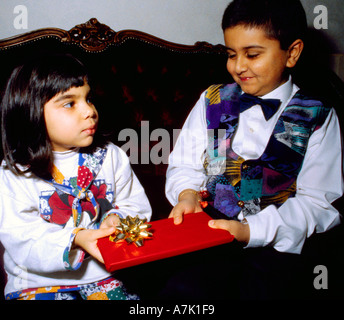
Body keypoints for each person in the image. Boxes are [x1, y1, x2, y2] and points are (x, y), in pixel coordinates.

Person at [165, 0, 343, 298]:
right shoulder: (212, 99)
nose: (238, 66)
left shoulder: (317, 115)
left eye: (252, 54)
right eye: (231, 54)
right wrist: (187, 194)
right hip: (208, 239)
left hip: (277, 247)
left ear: (293, 53)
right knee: (181, 291)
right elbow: (184, 164)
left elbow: (318, 203)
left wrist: (252, 232)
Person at [0, 54, 151, 300]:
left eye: (88, 99)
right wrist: (76, 238)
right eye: (70, 103)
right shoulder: (15, 171)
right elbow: (20, 236)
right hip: (38, 285)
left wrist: (118, 218)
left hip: (106, 277)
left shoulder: (110, 156)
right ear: (32, 112)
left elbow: (135, 203)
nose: (89, 111)